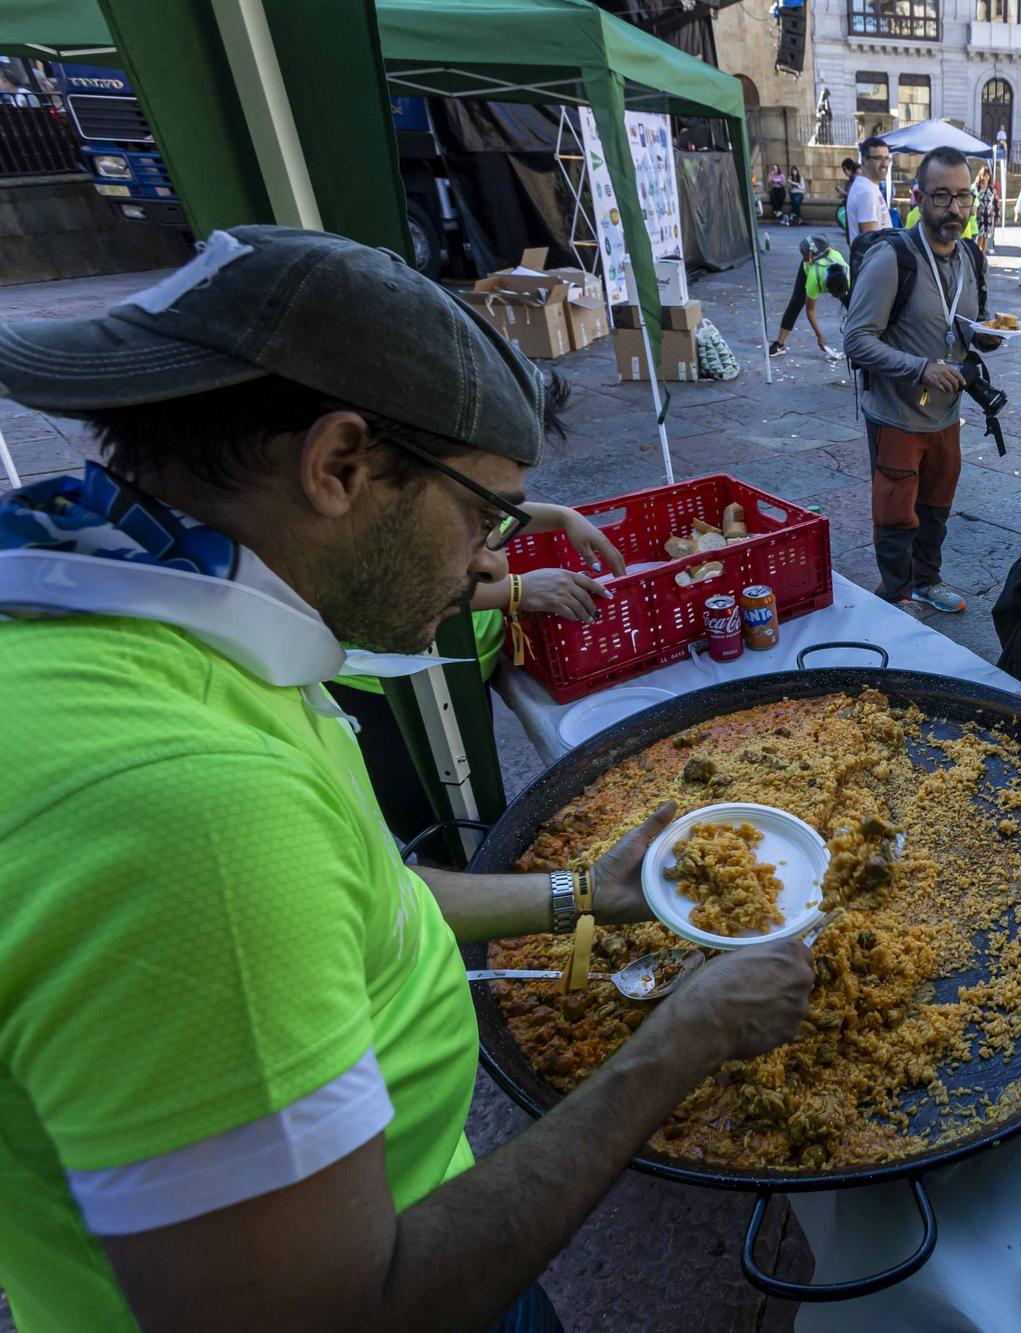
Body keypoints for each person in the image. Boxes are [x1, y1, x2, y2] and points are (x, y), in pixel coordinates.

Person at [0, 226, 815, 1332]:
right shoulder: (192, 813)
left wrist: (582, 896)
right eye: (483, 513)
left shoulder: (131, 630)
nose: (491, 563)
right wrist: (686, 1040)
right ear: (340, 466)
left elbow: (349, 895)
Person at [327, 500, 625, 842]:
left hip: (464, 667)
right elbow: (382, 595)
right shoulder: (360, 508)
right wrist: (514, 589)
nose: (494, 563)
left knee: (478, 798)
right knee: (436, 826)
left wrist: (562, 515)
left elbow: (475, 506)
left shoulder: (450, 493)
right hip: (389, 687)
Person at [844, 146, 999, 615]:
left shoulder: (971, 255)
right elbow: (856, 338)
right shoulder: (893, 258)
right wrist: (920, 367)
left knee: (936, 506)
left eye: (963, 197)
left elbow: (973, 322)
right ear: (916, 197)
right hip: (896, 413)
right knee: (896, 511)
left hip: (946, 414)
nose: (955, 209)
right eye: (941, 197)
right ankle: (894, 595)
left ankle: (926, 581)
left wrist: (988, 336)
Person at [769, 235, 850, 358]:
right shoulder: (814, 277)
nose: (833, 298)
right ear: (826, 286)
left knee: (851, 304)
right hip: (810, 265)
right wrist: (819, 335)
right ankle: (779, 344)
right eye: (832, 294)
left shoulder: (846, 272)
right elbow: (810, 310)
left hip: (831, 260)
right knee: (796, 302)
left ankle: (863, 338)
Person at [846, 137, 890, 248]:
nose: (885, 164)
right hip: (875, 263)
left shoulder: (869, 186)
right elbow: (870, 244)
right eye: (879, 158)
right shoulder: (866, 192)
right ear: (865, 160)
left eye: (887, 158)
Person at [974, 166, 999, 256]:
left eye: (987, 175)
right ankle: (977, 254)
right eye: (984, 175)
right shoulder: (976, 188)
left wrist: (997, 216)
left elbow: (995, 203)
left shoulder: (992, 189)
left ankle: (982, 255)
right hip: (979, 216)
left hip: (988, 216)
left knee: (985, 237)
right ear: (980, 175)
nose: (986, 177)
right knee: (979, 236)